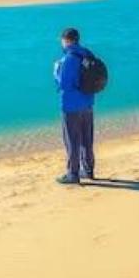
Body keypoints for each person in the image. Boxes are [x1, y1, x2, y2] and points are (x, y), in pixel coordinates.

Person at [53, 27, 95, 184]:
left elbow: (63, 84)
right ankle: (89, 169)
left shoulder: (68, 59)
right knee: (87, 139)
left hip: (71, 106)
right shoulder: (87, 53)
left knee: (72, 140)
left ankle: (73, 173)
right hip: (87, 103)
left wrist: (56, 71)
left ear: (66, 40)